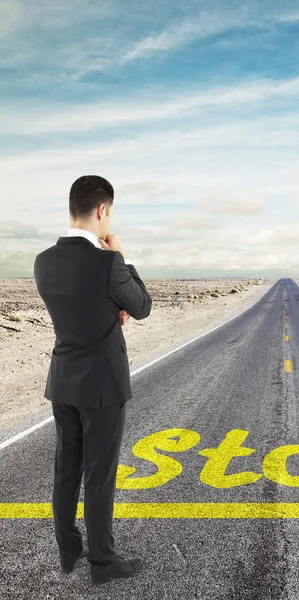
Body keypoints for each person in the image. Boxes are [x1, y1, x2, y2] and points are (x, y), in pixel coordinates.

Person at [33, 175, 152, 585]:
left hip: (63, 380)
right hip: (101, 385)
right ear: (102, 210)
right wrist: (122, 259)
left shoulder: (43, 261)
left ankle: (69, 549)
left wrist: (110, 304)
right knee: (99, 476)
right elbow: (142, 307)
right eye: (110, 214)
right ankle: (103, 561)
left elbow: (81, 305)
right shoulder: (108, 262)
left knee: (67, 469)